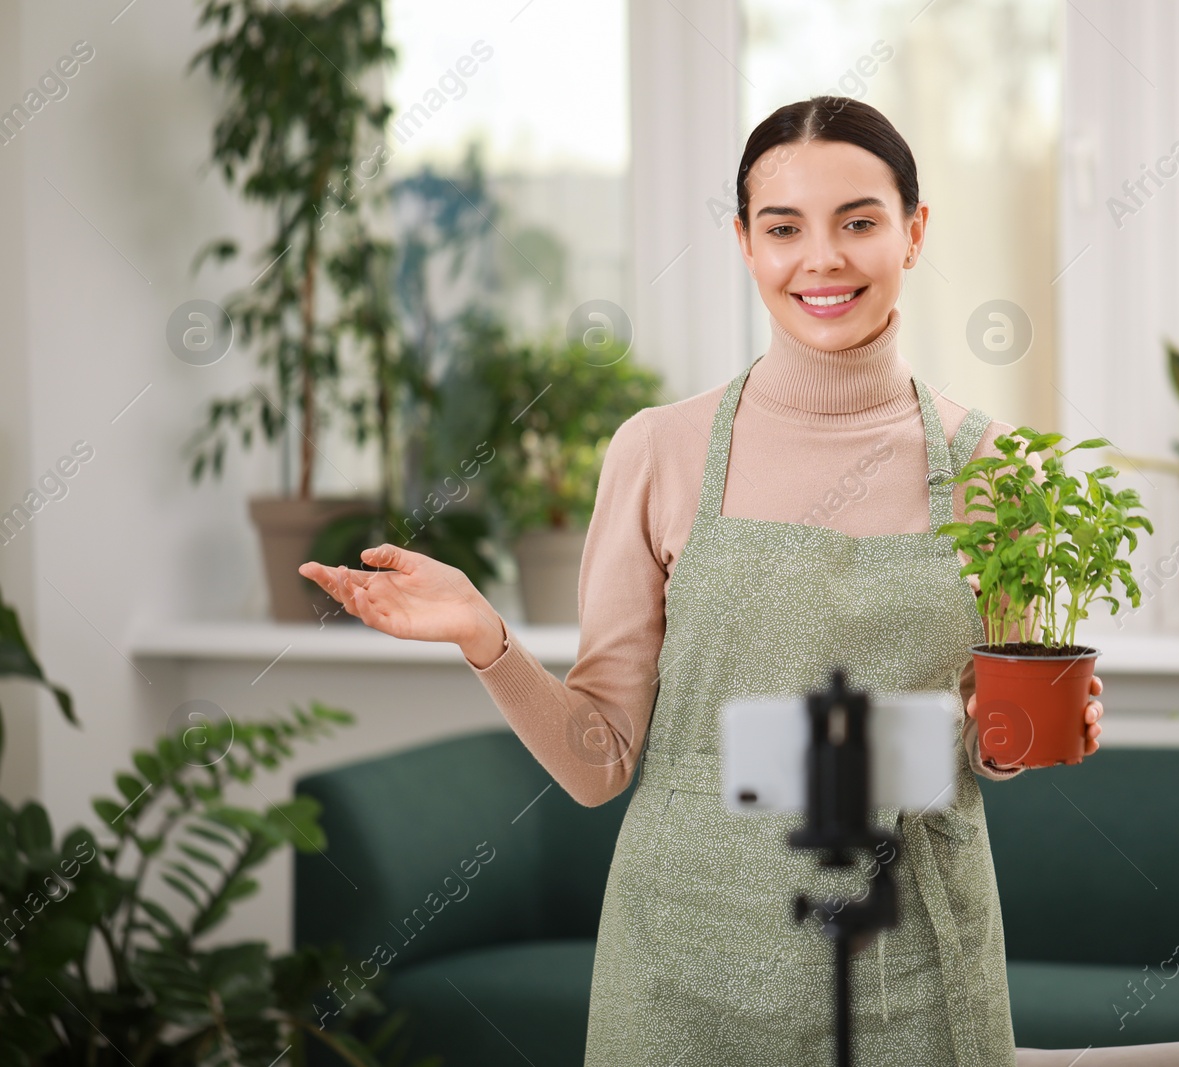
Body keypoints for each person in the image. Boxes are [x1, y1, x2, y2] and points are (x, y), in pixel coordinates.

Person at [299, 94, 1106, 1067]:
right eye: (783, 227)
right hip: (683, 965)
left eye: (859, 221)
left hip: (912, 962)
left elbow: (983, 744)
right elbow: (598, 760)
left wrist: (1030, 728)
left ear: (914, 231)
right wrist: (487, 636)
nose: (823, 258)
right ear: (742, 242)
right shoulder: (660, 451)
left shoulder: (995, 470)